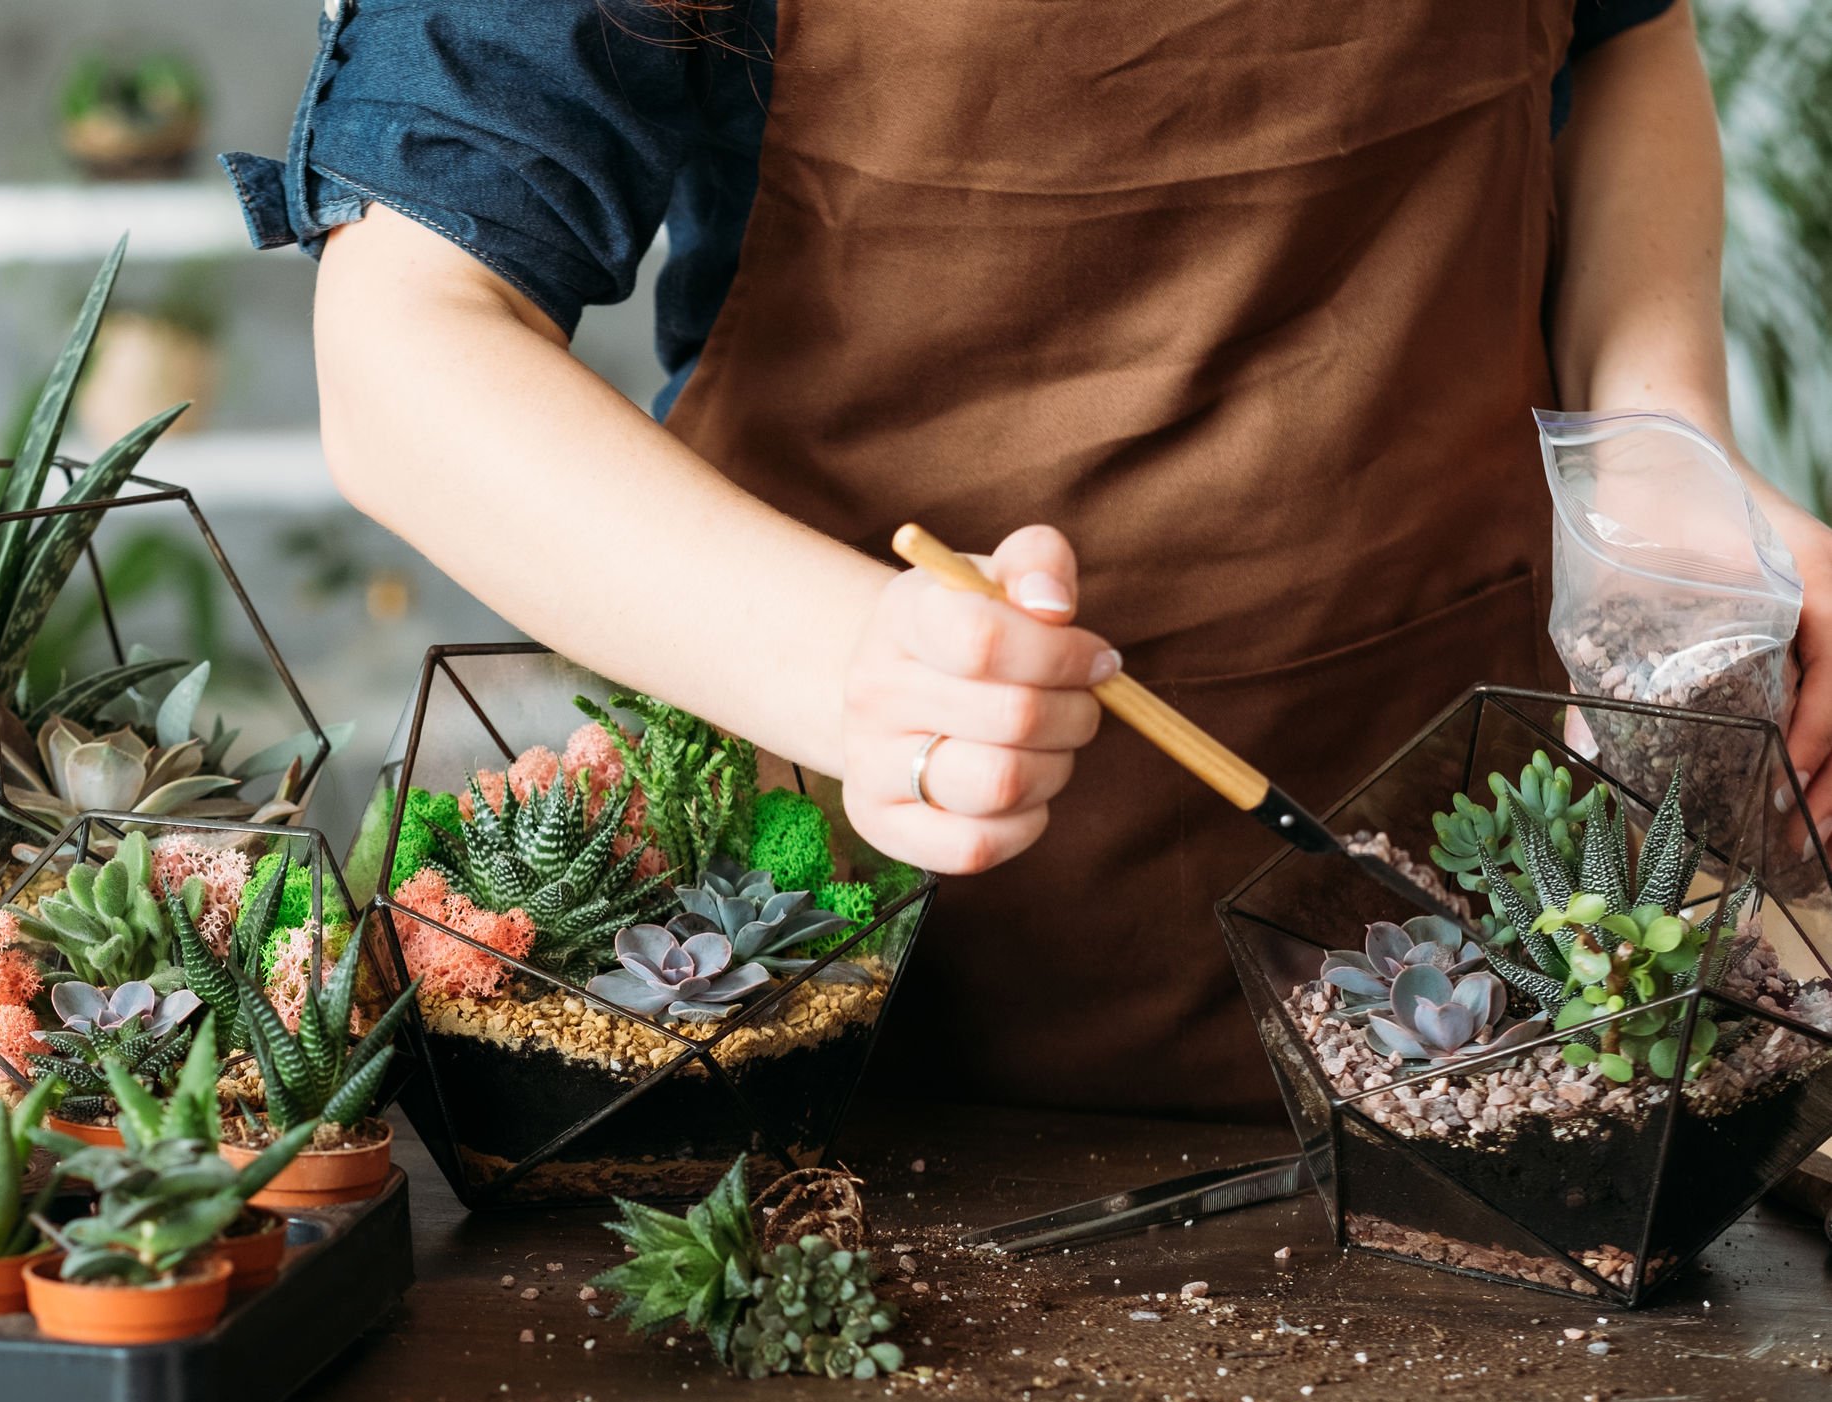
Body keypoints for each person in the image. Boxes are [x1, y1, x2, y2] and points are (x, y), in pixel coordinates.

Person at [223, 0, 1832, 1116]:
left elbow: (1630, 42)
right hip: (833, 1000)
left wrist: (1664, 470)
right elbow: (407, 348)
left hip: (1466, 922)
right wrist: (851, 668)